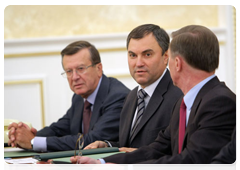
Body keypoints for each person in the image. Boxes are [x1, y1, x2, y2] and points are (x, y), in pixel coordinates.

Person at [70, 25, 238, 170]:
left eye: (169, 57)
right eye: (133, 55)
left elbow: (192, 160)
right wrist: (100, 161)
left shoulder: (220, 102)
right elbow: (156, 149)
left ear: (176, 63)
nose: (139, 63)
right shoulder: (184, 102)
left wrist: (127, 169)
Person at [8, 40, 130, 152]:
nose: (75, 77)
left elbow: (92, 140)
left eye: (81, 69)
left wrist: (33, 141)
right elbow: (59, 129)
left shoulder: (117, 97)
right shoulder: (79, 97)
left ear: (99, 69)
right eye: (69, 71)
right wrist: (24, 135)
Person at [84, 24, 182, 152]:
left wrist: (137, 154)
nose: (139, 63)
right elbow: (130, 146)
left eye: (147, 54)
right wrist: (107, 146)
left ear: (165, 56)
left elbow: (180, 156)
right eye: (133, 55)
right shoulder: (132, 96)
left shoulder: (179, 96)